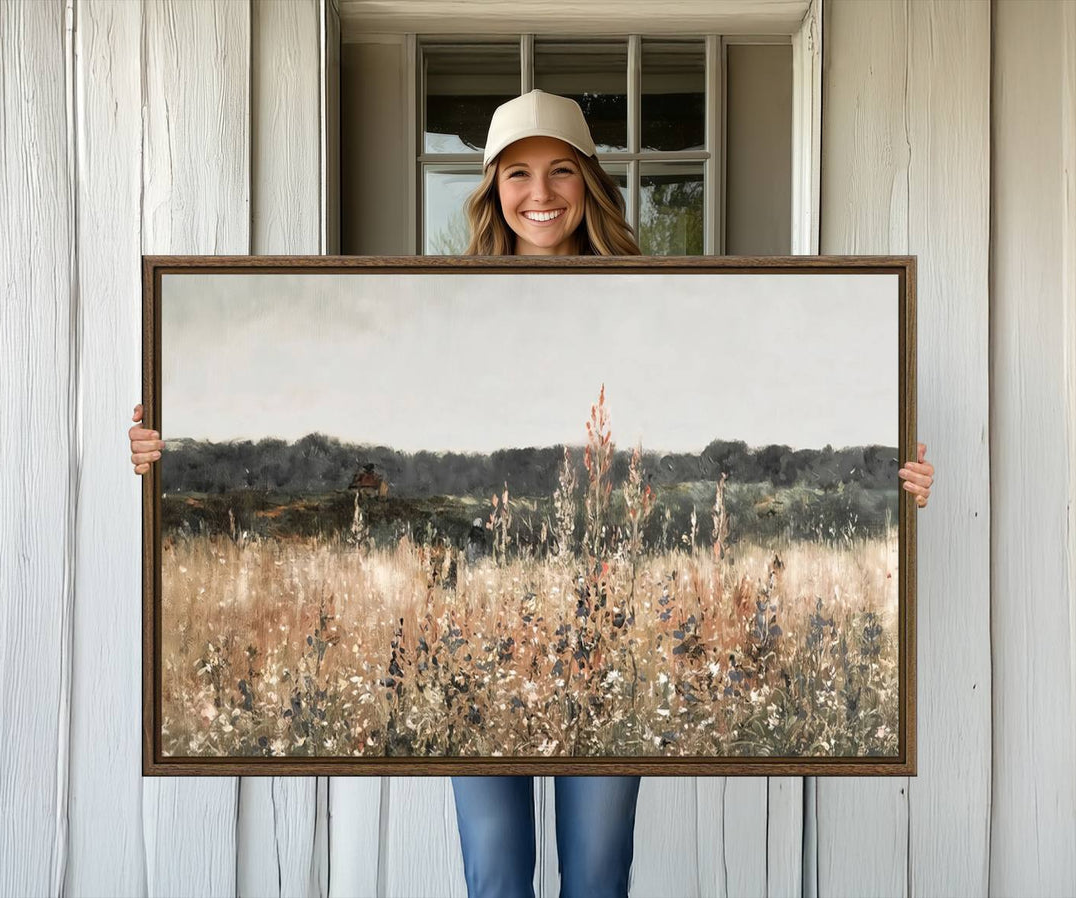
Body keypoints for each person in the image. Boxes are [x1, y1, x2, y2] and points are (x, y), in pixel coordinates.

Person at [126, 89, 936, 898]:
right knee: (495, 875)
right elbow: (358, 401)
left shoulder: (658, 301)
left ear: (588, 182)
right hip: (472, 625)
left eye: (559, 172)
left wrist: (887, 479)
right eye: (518, 174)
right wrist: (174, 449)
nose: (540, 194)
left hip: (611, 615)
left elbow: (735, 399)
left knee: (596, 875)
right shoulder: (442, 308)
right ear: (492, 189)